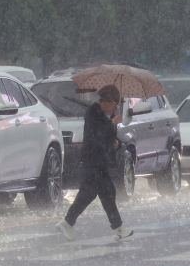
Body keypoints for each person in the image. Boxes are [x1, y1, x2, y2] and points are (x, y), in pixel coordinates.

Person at [56, 85, 134, 241]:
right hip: (93, 161)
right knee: (100, 194)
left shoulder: (102, 114)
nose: (114, 107)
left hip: (99, 162)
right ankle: (117, 227)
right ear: (106, 101)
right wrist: (112, 122)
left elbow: (106, 137)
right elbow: (97, 135)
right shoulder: (93, 112)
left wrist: (115, 141)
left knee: (97, 194)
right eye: (113, 104)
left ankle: (68, 222)